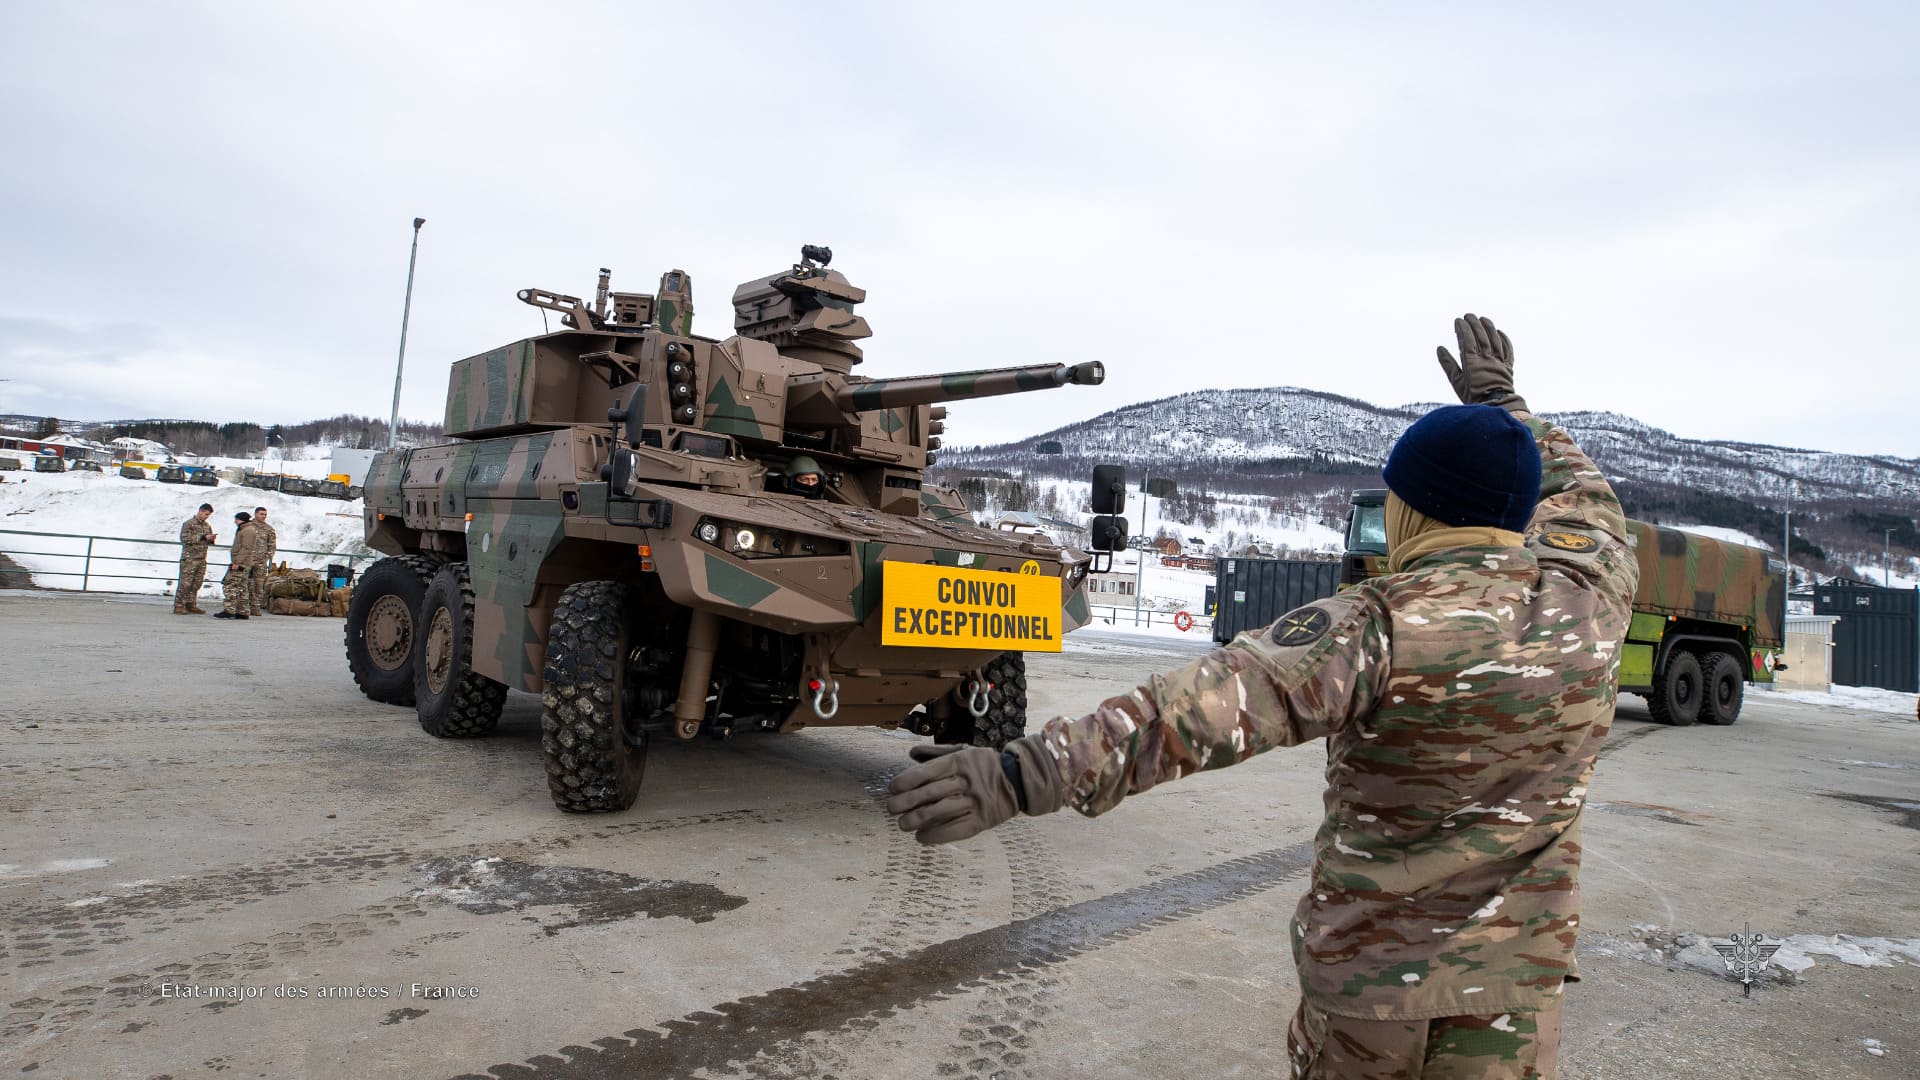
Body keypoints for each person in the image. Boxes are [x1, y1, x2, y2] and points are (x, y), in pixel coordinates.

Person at [885, 314, 1638, 1079]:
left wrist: (1025, 773)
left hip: (1375, 991)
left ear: (1412, 508)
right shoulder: (1594, 598)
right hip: (1515, 991)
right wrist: (1506, 409)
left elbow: (1199, 708)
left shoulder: (1377, 625)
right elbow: (1584, 498)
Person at [214, 512, 258, 620]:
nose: (235, 522)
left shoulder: (247, 530)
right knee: (242, 587)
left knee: (230, 585)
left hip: (241, 563)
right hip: (244, 563)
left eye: (237, 519)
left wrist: (236, 563)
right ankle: (242, 611)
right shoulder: (246, 529)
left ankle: (229, 610)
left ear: (242, 520)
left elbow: (246, 548)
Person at [174, 503, 217, 615]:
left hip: (201, 558)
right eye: (206, 514)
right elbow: (184, 538)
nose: (206, 517)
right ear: (201, 511)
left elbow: (207, 540)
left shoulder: (207, 526)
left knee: (196, 583)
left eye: (208, 515)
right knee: (185, 583)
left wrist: (211, 539)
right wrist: (202, 537)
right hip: (190, 558)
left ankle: (190, 604)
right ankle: (179, 605)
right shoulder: (189, 524)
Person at [248, 506, 277, 616]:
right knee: (245, 583)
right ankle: (243, 605)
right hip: (247, 560)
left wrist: (267, 557)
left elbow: (272, 545)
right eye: (261, 514)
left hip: (260, 562)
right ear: (255, 514)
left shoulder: (269, 529)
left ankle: (255, 607)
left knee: (259, 584)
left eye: (265, 514)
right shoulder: (248, 526)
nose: (263, 516)